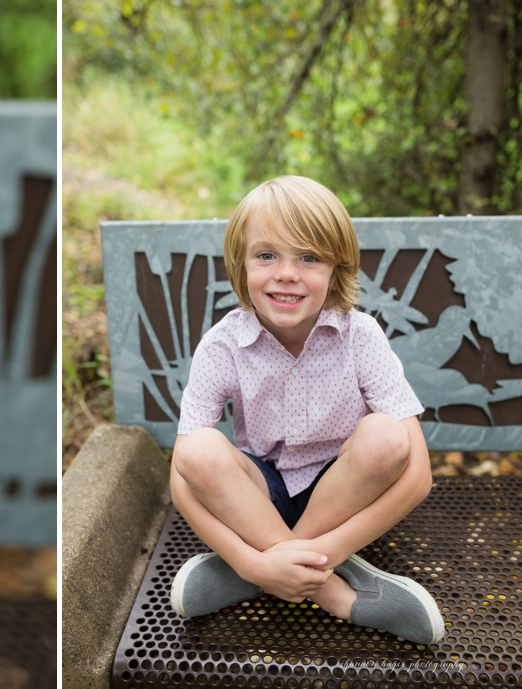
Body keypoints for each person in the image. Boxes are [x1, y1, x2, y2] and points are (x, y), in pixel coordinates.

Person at [168, 175, 443, 644]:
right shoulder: (222, 346)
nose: (286, 273)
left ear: (338, 269)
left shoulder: (361, 337)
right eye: (267, 255)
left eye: (309, 257)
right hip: (262, 497)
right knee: (197, 452)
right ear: (242, 265)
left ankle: (277, 576)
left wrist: (317, 551)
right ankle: (334, 592)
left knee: (386, 436)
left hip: (344, 497)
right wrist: (252, 559)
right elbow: (182, 479)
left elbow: (417, 474)